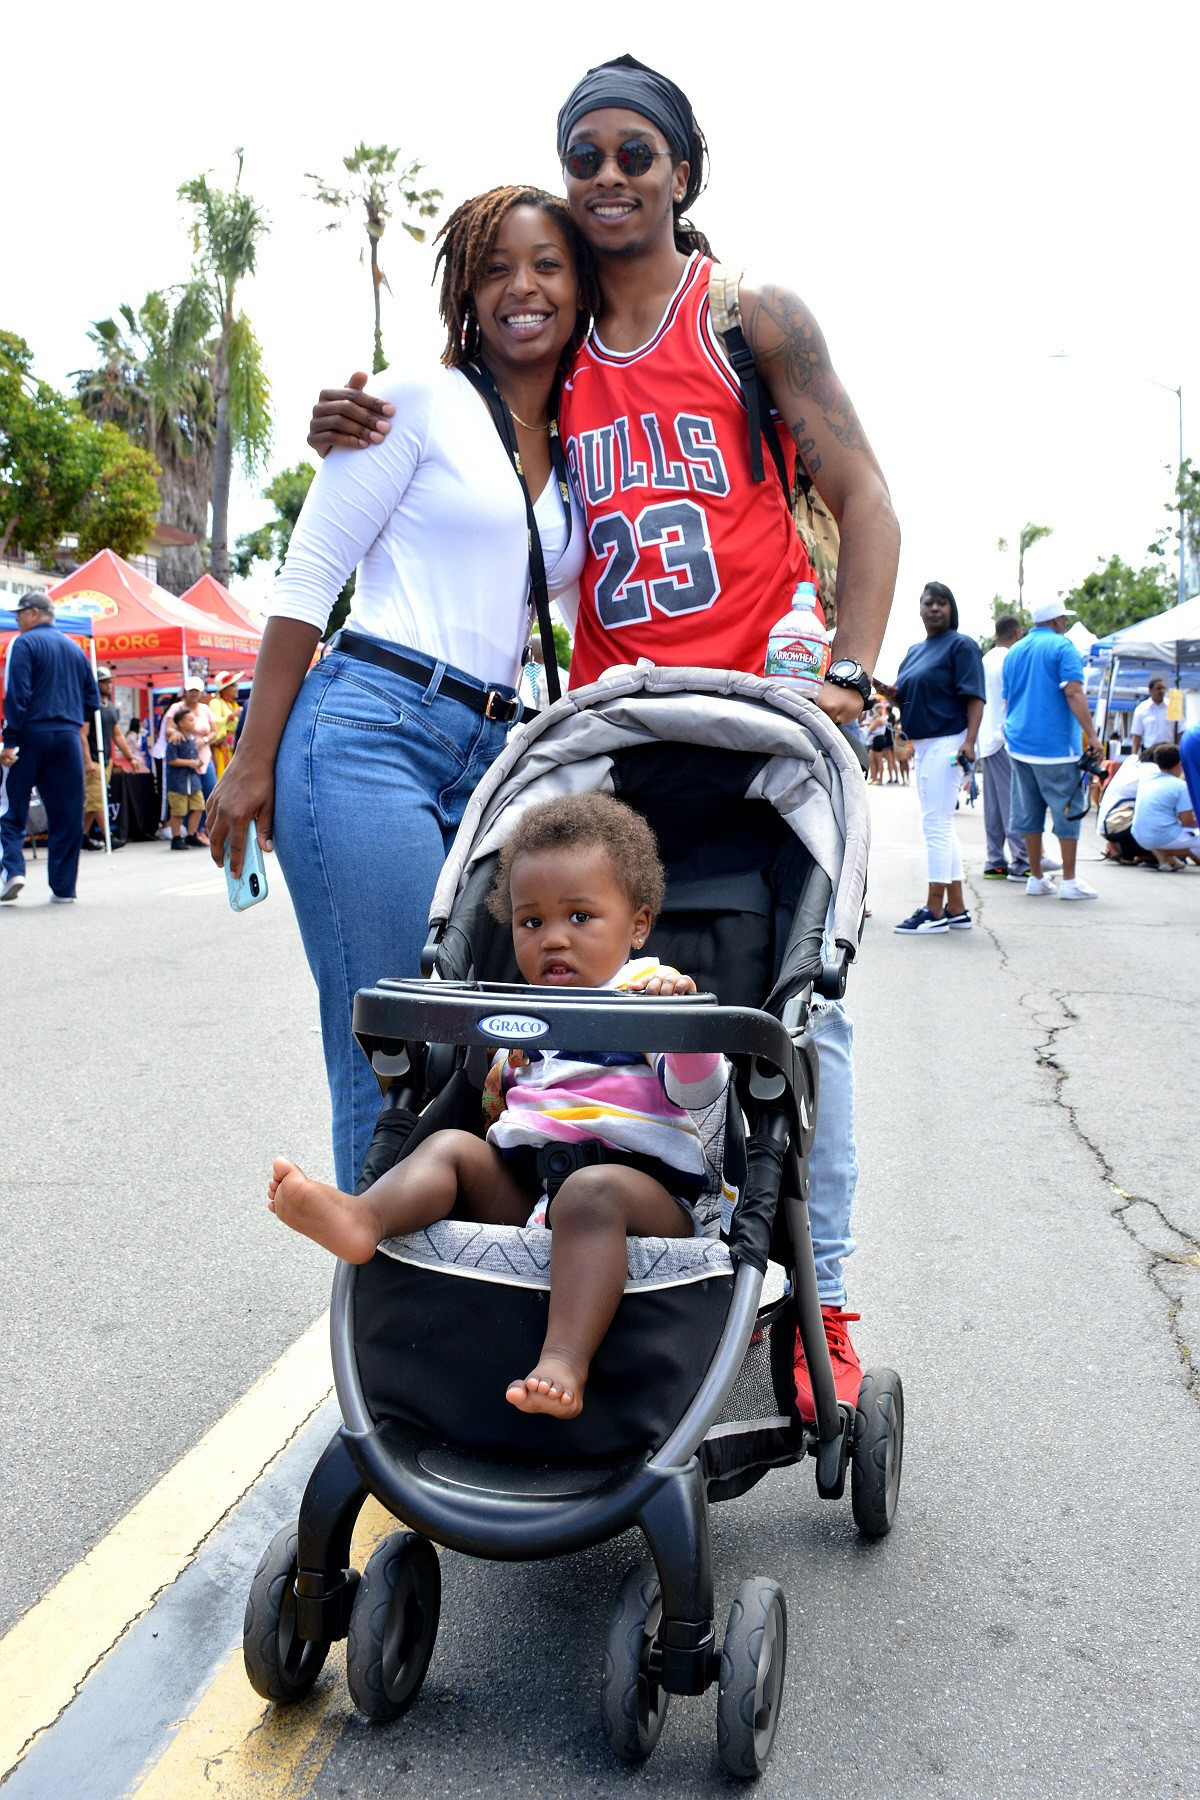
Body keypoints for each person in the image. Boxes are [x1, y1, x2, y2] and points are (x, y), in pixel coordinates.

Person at [305, 54, 901, 1414]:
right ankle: (543, 1246)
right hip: (618, 735)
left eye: (637, 152)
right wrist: (348, 417)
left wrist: (853, 676)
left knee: (803, 1017)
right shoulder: (562, 341)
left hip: (759, 722)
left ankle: (825, 1301)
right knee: (578, 998)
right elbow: (457, 413)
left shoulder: (751, 316)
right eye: (586, 156)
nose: (610, 176)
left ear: (684, 170)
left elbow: (865, 497)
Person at [208, 186, 593, 1193]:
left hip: (495, 759)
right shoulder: (414, 400)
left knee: (486, 1051)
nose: (521, 287)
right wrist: (252, 762)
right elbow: (307, 578)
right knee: (393, 1050)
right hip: (369, 731)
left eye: (547, 265)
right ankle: (375, 1289)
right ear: (465, 290)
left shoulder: (581, 437)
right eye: (496, 268)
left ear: (581, 284)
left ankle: (448, 1267)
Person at [269, 795, 726, 1420]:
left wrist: (681, 1024)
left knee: (590, 1193)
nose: (554, 938)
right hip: (531, 1191)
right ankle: (364, 1217)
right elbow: (497, 1111)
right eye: (530, 922)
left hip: (639, 1198)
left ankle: (563, 1360)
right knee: (453, 1149)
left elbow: (700, 1092)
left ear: (637, 925)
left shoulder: (645, 994)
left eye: (581, 917)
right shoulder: (518, 1014)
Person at [872, 583, 985, 934]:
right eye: (928, 603)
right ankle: (957, 908)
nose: (934, 608)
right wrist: (888, 692)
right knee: (940, 825)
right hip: (923, 744)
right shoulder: (914, 651)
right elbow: (905, 695)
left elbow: (975, 697)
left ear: (952, 608)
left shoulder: (962, 645)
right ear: (919, 609)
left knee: (935, 825)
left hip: (949, 740)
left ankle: (934, 910)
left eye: (942, 603)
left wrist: (970, 742)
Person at [0, 592, 101, 904]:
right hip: (68, 736)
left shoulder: (23, 643)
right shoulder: (75, 648)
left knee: (11, 807)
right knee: (67, 813)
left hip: (31, 733)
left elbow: (16, 693)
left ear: (33, 613)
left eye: (19, 615)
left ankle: (12, 870)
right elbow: (92, 700)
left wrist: (9, 740)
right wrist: (73, 726)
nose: (17, 621)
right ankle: (63, 888)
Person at [1002, 599, 1106, 900]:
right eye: (1063, 618)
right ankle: (1069, 881)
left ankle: (1036, 877)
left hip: (1019, 744)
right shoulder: (1063, 647)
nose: (1065, 623)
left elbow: (1008, 698)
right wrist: (1093, 737)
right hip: (1056, 746)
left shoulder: (1014, 651)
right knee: (1067, 813)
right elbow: (1073, 691)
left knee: (1029, 812)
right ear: (1057, 620)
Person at [978, 614, 1032, 880]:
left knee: (994, 806)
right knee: (1013, 802)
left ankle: (995, 860)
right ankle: (1023, 860)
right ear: (1017, 633)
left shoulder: (985, 660)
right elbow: (1014, 700)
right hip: (1004, 738)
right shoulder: (1010, 659)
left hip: (987, 739)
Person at [81, 664, 144, 849]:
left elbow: (117, 735)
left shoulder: (110, 708)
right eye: (104, 682)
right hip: (93, 758)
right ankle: (108, 836)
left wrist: (130, 757)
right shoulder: (89, 706)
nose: (109, 685)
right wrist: (87, 761)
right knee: (97, 799)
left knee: (94, 800)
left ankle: (82, 836)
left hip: (106, 760)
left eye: (110, 681)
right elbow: (82, 735)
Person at [1131, 743, 1200, 867]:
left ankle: (1167, 858)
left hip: (1138, 835)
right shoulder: (1180, 786)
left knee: (1170, 823)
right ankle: (1165, 852)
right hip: (1160, 836)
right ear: (1180, 764)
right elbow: (1187, 821)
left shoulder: (1146, 780)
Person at [164, 706, 206, 849]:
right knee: (178, 811)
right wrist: (190, 763)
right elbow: (171, 759)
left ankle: (191, 835)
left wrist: (197, 762)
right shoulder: (175, 739)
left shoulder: (192, 739)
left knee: (199, 806)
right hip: (178, 781)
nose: (194, 722)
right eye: (190, 720)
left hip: (192, 780)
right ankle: (176, 838)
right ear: (181, 723)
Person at [207, 672, 245, 779]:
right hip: (223, 748)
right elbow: (213, 722)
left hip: (233, 746)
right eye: (234, 685)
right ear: (225, 689)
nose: (237, 688)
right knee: (224, 777)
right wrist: (231, 716)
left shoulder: (233, 704)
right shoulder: (216, 703)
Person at [1131, 677, 1173, 753]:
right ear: (1150, 691)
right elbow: (1137, 734)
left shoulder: (1172, 706)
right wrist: (1134, 754)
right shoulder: (1142, 709)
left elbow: (1180, 731)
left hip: (1169, 751)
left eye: (1163, 688)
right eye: (1158, 688)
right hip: (1150, 752)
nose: (1161, 691)